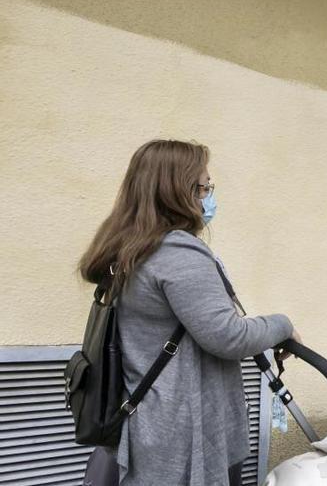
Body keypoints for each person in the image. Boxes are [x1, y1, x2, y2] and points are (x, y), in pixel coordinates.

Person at [78, 140, 299, 485]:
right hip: (185, 436)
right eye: (205, 186)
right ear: (178, 192)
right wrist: (283, 325)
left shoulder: (130, 250)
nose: (209, 196)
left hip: (150, 421)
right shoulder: (177, 252)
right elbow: (229, 336)